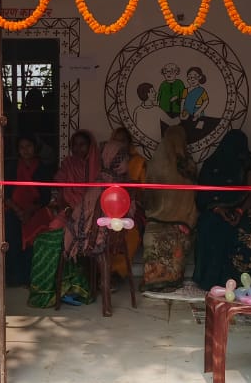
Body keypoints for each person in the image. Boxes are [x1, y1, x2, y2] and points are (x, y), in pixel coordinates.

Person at [27, 129, 101, 308]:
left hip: (87, 221)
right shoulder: (68, 164)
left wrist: (78, 214)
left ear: (90, 147)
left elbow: (95, 202)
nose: (77, 149)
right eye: (74, 145)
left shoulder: (98, 169)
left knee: (51, 242)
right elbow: (59, 192)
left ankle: (68, 286)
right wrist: (66, 208)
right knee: (47, 233)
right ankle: (59, 287)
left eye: (82, 145)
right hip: (67, 213)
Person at [193, 129, 251, 292]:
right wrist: (219, 209)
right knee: (210, 225)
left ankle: (239, 281)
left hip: (242, 209)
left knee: (250, 231)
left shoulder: (247, 164)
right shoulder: (212, 164)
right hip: (215, 209)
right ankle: (211, 280)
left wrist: (239, 211)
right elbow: (203, 196)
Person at [139, 124, 200, 296]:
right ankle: (163, 281)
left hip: (171, 220)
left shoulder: (186, 166)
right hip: (167, 220)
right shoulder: (176, 165)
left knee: (165, 237)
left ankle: (159, 281)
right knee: (169, 238)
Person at [4, 135, 54, 286]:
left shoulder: (42, 168)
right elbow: (5, 193)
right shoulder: (12, 167)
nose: (25, 150)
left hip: (35, 210)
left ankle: (31, 277)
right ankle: (13, 277)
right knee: (11, 232)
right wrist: (18, 211)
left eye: (29, 146)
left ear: (35, 148)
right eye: (22, 147)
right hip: (13, 209)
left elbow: (45, 197)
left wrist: (29, 211)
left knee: (37, 234)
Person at [104, 127, 146, 281]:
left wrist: (129, 192)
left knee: (130, 231)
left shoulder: (139, 162)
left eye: (123, 141)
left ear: (129, 143)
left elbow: (143, 192)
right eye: (116, 141)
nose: (120, 144)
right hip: (108, 208)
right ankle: (102, 270)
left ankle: (117, 272)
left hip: (132, 207)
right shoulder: (106, 158)